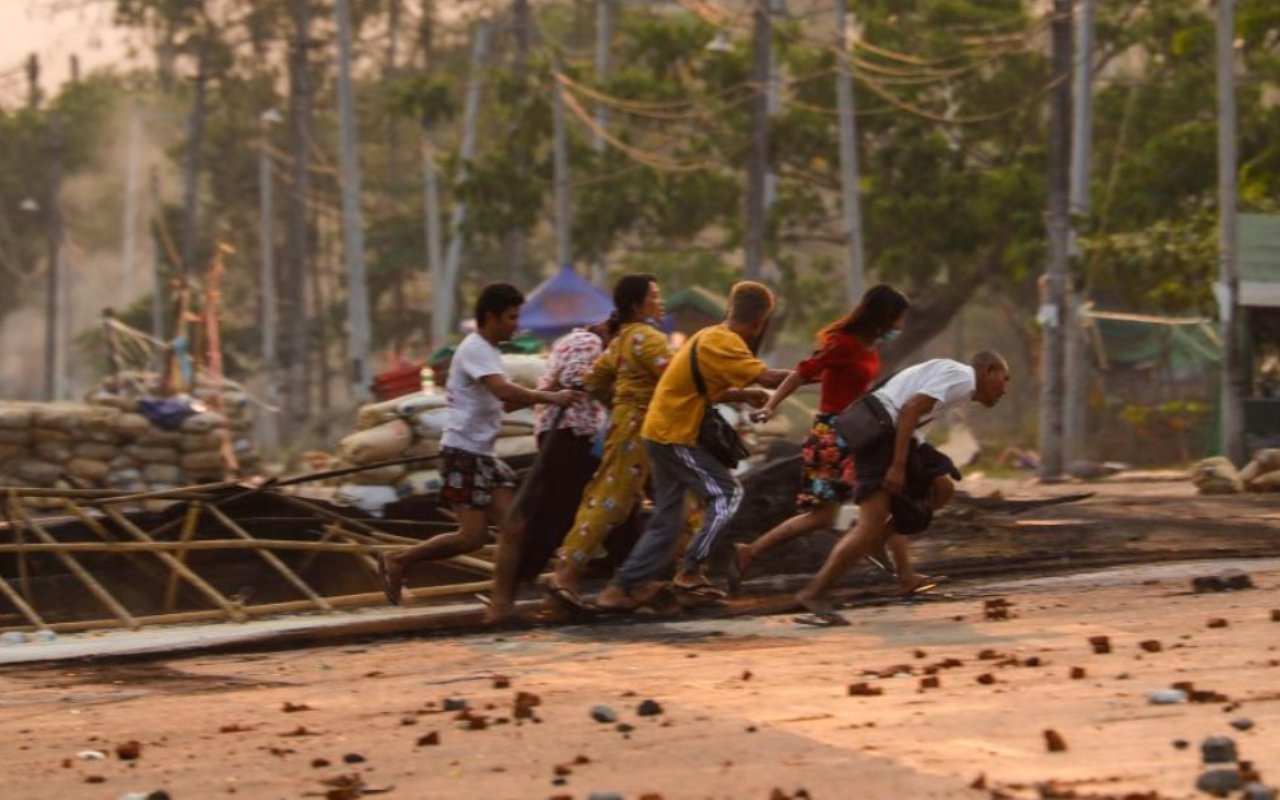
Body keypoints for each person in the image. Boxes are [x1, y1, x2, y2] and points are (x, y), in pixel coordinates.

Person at [377, 283, 584, 621]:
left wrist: (553, 391)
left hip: (482, 456)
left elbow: (509, 401)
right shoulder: (475, 349)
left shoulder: (489, 352)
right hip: (464, 453)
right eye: (511, 318)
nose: (516, 326)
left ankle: (500, 606)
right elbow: (503, 391)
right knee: (470, 537)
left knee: (514, 527)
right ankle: (398, 560)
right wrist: (551, 398)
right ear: (491, 317)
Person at [593, 281, 791, 611]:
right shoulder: (724, 343)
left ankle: (622, 587)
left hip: (660, 430)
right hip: (674, 434)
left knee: (667, 518)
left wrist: (741, 395)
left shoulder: (710, 336)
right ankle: (689, 573)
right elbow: (769, 378)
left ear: (730, 309)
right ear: (760, 322)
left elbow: (699, 388)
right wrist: (819, 372)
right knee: (728, 494)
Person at [732, 285, 938, 596]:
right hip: (835, 435)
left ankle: (750, 551)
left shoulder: (869, 345)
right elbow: (803, 373)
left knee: (830, 514)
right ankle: (903, 573)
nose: (901, 325)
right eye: (899, 318)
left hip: (859, 431)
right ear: (884, 316)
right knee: (874, 501)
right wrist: (770, 406)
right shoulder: (843, 343)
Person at [793, 350, 1011, 625]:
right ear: (988, 370)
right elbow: (908, 411)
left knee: (941, 487)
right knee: (869, 523)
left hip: (891, 432)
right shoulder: (962, 378)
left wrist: (920, 459)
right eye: (1005, 378)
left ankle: (885, 551)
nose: (1005, 389)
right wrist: (898, 465)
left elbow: (913, 415)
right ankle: (814, 593)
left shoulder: (959, 385)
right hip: (881, 433)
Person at [547, 274, 700, 611]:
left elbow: (594, 380)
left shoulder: (621, 341)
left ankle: (678, 577)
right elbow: (680, 379)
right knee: (611, 501)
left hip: (634, 427)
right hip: (644, 432)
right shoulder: (647, 338)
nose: (660, 302)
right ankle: (565, 574)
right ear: (637, 304)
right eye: (655, 296)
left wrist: (620, 403)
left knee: (682, 503)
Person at [506, 320, 612, 594]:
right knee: (558, 510)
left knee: (596, 500)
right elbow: (575, 380)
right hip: (568, 432)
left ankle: (608, 563)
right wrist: (616, 395)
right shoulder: (590, 343)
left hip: (572, 433)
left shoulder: (577, 340)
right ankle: (521, 576)